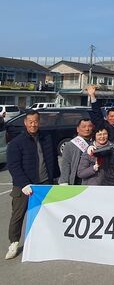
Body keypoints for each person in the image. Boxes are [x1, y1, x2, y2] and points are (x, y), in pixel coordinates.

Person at [6, 110, 59, 259]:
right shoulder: (17, 142)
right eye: (30, 121)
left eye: (36, 121)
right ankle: (14, 243)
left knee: (44, 214)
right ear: (25, 123)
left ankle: (44, 241)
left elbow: (52, 159)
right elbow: (14, 166)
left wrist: (55, 178)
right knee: (18, 215)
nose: (33, 124)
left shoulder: (47, 138)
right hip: (23, 186)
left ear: (39, 122)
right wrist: (24, 184)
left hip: (43, 183)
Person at [58, 118, 94, 185]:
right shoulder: (70, 145)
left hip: (93, 179)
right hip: (77, 181)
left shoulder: (95, 143)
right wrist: (64, 181)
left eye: (89, 126)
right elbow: (66, 164)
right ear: (77, 129)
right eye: (84, 127)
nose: (87, 129)